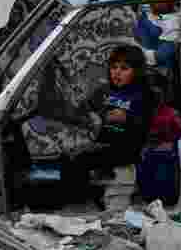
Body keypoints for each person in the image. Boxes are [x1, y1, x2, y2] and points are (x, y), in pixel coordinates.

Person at [66, 45, 154, 203]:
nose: (117, 72)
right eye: (114, 67)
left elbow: (148, 124)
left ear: (137, 71)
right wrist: (91, 115)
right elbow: (82, 111)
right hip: (103, 143)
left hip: (127, 149)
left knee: (79, 159)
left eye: (124, 68)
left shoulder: (143, 94)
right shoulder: (104, 90)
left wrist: (128, 118)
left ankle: (81, 202)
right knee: (69, 157)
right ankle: (84, 198)